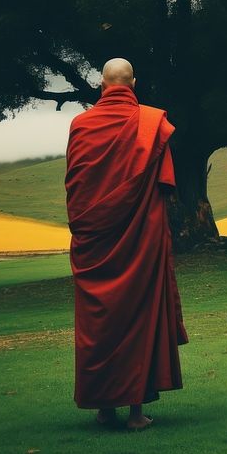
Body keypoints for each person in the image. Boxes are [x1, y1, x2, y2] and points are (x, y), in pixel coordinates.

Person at [65, 57, 188, 431]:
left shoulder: (80, 124)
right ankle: (136, 413)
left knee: (100, 320)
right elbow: (163, 187)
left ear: (102, 85)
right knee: (138, 315)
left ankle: (105, 408)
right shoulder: (152, 124)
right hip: (140, 238)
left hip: (95, 243)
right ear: (133, 84)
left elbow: (77, 187)